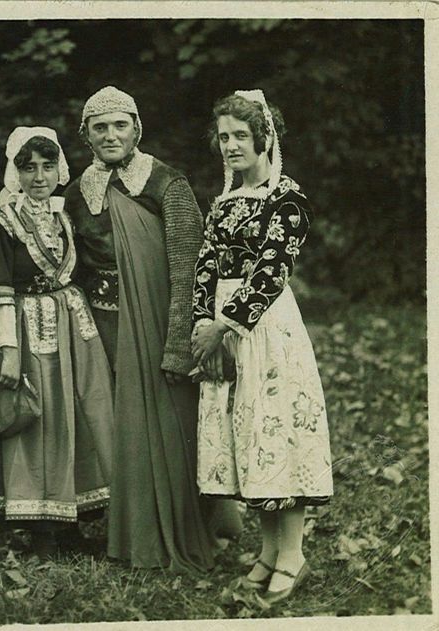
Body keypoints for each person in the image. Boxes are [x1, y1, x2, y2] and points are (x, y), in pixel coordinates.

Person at [64, 86, 232, 572]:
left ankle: (181, 528)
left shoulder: (166, 182)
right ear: (86, 136)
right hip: (105, 324)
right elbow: (71, 266)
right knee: (119, 424)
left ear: (137, 129)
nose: (111, 135)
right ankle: (131, 529)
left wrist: (180, 344)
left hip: (161, 322)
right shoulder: (77, 193)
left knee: (169, 424)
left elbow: (190, 267)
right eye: (100, 127)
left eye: (120, 125)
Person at [192, 90, 332, 602]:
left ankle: (292, 553)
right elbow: (206, 267)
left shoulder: (287, 201)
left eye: (240, 136)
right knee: (246, 442)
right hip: (221, 334)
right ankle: (268, 551)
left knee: (273, 435)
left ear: (264, 138)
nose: (230, 146)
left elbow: (270, 273)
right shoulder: (225, 202)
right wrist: (200, 327)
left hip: (264, 331)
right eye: (223, 136)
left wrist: (224, 326)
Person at [0, 126, 113, 559]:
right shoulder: (2, 223)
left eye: (47, 166)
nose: (39, 176)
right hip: (27, 327)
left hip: (73, 325)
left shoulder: (64, 217)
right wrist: (8, 347)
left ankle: (73, 518)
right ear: (14, 172)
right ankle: (41, 528)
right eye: (28, 167)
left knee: (78, 412)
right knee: (40, 418)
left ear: (60, 169)